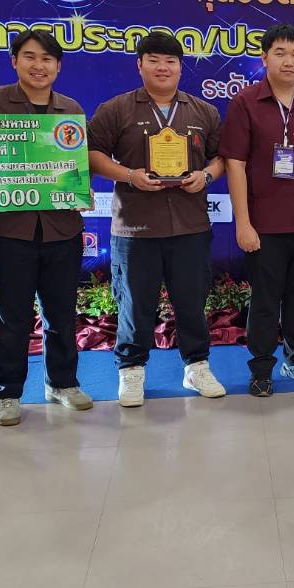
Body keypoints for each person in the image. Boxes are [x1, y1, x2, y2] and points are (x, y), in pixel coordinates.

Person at [89, 31, 226, 406]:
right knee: (135, 304)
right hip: (136, 228)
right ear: (140, 65)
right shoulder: (116, 109)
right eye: (154, 60)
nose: (162, 68)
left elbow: (221, 157)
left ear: (181, 67)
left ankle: (196, 366)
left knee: (192, 301)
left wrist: (206, 176)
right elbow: (92, 154)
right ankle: (131, 369)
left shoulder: (203, 112)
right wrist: (128, 175)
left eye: (170, 61)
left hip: (190, 225)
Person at [0, 29, 93, 425]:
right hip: (9, 230)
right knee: (10, 317)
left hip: (62, 229)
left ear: (58, 66)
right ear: (14, 61)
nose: (39, 66)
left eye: (47, 59)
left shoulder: (70, 108)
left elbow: (76, 165)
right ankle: (6, 392)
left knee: (62, 313)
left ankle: (62, 383)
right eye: (30, 57)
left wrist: (81, 187)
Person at [221, 24, 294, 397]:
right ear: (264, 58)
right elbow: (234, 164)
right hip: (264, 224)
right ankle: (262, 368)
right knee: (266, 301)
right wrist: (243, 223)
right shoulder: (245, 103)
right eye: (280, 53)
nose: (289, 61)